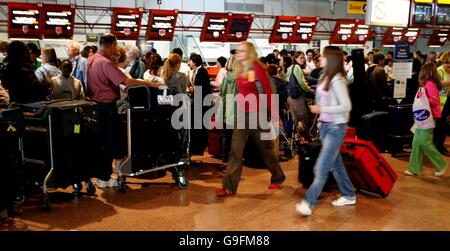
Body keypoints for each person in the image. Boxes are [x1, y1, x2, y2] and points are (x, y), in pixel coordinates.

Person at [86, 33, 161, 188]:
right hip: (106, 107)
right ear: (112, 45)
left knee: (100, 143)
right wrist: (149, 83)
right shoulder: (105, 63)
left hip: (93, 106)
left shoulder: (91, 60)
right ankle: (104, 178)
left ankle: (101, 176)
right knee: (109, 143)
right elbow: (126, 81)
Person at [216, 41, 285, 197]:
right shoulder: (240, 69)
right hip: (242, 115)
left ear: (248, 53)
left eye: (241, 51)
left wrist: (274, 116)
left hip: (257, 115)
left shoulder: (257, 68)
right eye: (237, 51)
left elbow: (267, 91)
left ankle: (278, 175)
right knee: (236, 151)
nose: (237, 53)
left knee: (265, 149)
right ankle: (229, 186)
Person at [296, 46, 355, 216]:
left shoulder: (337, 80)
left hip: (336, 128)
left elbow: (346, 106)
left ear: (331, 59)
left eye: (322, 55)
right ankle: (349, 194)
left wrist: (322, 108)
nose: (319, 57)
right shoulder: (324, 76)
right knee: (335, 165)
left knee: (321, 168)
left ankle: (308, 202)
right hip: (326, 127)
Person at [405, 63, 448, 177]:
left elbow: (434, 101)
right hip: (424, 116)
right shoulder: (429, 84)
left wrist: (423, 97)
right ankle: (415, 168)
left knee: (424, 142)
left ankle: (441, 164)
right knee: (417, 143)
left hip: (428, 117)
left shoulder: (429, 84)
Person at [434, 52, 450, 155]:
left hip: (448, 101)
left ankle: (441, 145)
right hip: (440, 103)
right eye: (447, 62)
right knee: (439, 126)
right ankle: (437, 146)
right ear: (442, 62)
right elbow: (435, 86)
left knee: (445, 125)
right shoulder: (438, 71)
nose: (449, 65)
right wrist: (447, 83)